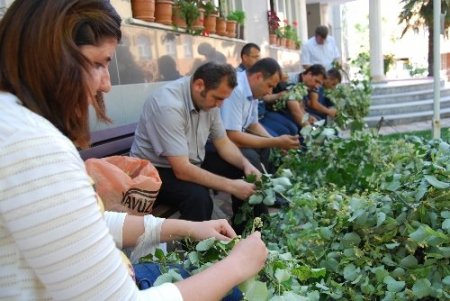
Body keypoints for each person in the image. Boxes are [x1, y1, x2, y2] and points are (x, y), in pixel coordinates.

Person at [0, 1, 267, 300]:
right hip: (161, 171)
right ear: (48, 56)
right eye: (99, 63)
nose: (106, 86)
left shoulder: (16, 126)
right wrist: (237, 266)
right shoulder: (33, 145)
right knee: (231, 289)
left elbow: (91, 222)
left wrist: (190, 228)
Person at [130, 62, 263, 225]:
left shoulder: (209, 100)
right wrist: (232, 186)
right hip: (155, 170)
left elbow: (222, 142)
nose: (220, 105)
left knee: (247, 164)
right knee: (198, 197)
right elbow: (182, 170)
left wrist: (245, 165)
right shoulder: (168, 105)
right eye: (217, 98)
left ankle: (250, 230)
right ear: (199, 85)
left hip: (190, 161)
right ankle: (195, 247)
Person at [219, 57, 300, 173]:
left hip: (232, 138)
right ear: (258, 77)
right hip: (216, 144)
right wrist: (276, 142)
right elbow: (233, 136)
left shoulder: (253, 89)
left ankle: (272, 184)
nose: (270, 92)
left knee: (269, 150)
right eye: (270, 86)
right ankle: (260, 188)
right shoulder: (236, 88)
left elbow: (253, 124)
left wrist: (275, 142)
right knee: (251, 157)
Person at [261, 64, 327, 136]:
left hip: (287, 110)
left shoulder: (305, 84)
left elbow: (300, 106)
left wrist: (309, 118)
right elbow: (295, 112)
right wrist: (311, 132)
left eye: (319, 84)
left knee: (317, 121)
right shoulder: (289, 81)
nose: (316, 86)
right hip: (271, 110)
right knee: (294, 128)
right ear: (309, 74)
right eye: (316, 81)